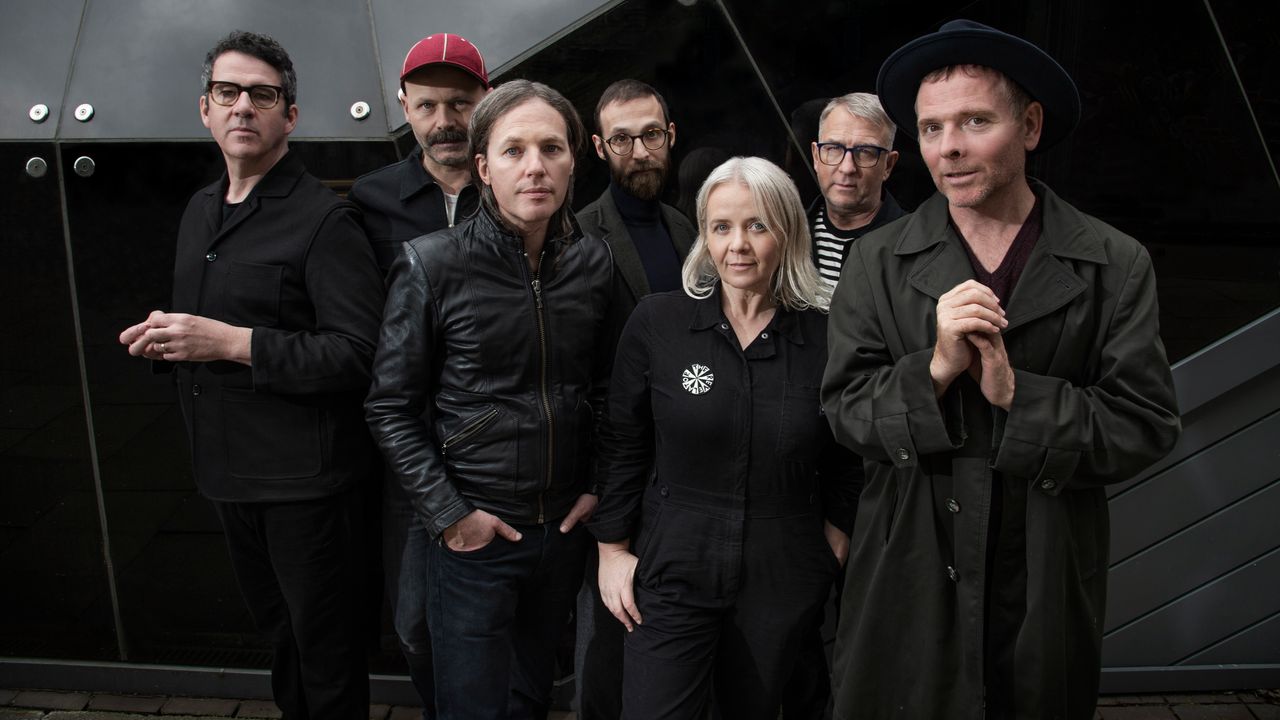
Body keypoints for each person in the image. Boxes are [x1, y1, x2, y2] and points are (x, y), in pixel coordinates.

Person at [821, 20, 1181, 720]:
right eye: (931, 129)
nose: (948, 147)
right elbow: (844, 409)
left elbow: (1145, 423)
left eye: (975, 121)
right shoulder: (876, 260)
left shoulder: (1114, 262)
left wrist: (1020, 396)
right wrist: (933, 371)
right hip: (909, 566)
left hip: (1044, 569)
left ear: (1031, 126)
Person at [118, 30, 383, 719]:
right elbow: (205, 333)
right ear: (204, 109)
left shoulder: (325, 220)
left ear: (288, 117)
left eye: (262, 95)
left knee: (326, 657)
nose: (242, 106)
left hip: (307, 489)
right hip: (226, 475)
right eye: (227, 91)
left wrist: (232, 342)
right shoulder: (200, 209)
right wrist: (168, 342)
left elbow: (359, 354)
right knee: (282, 641)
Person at [364, 79, 620, 720]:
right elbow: (390, 406)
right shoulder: (431, 265)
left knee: (530, 697)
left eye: (551, 148)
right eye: (514, 150)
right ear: (483, 168)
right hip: (477, 535)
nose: (535, 167)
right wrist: (452, 515)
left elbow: (609, 389)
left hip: (562, 530)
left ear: (572, 160)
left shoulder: (594, 263)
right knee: (471, 704)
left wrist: (597, 485)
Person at [590, 157, 861, 720]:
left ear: (787, 232)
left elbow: (849, 453)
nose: (738, 244)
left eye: (757, 225)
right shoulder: (658, 323)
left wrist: (832, 541)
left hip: (782, 564)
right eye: (721, 227)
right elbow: (622, 442)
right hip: (673, 556)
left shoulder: (828, 336)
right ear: (704, 235)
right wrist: (612, 549)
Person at [346, 32, 489, 717]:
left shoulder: (515, 186)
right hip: (412, 447)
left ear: (485, 100)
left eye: (459, 103)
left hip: (497, 440)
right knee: (414, 626)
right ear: (404, 106)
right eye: (428, 105)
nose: (444, 121)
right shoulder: (372, 199)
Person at [573, 78, 697, 720]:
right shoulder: (577, 234)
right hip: (611, 467)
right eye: (622, 139)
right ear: (599, 148)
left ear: (670, 136)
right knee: (605, 635)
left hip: (682, 464)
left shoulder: (688, 229)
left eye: (651, 134)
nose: (640, 151)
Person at [809, 92, 905, 289]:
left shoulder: (915, 246)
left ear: (888, 165)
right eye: (834, 148)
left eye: (865, 152)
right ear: (816, 157)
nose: (847, 168)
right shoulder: (786, 236)